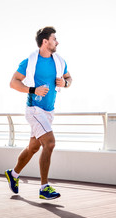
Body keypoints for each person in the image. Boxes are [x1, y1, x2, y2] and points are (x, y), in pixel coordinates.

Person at [5, 26, 72, 200]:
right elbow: (13, 82)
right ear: (45, 41)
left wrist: (65, 84)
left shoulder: (59, 61)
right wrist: (33, 90)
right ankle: (44, 188)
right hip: (34, 109)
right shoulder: (29, 61)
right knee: (49, 143)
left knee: (33, 147)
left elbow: (69, 78)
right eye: (54, 39)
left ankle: (13, 174)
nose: (57, 42)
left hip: (49, 111)